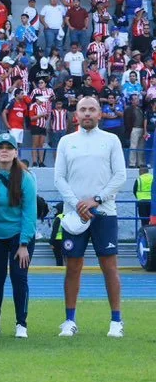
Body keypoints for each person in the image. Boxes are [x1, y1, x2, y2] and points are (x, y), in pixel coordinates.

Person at [53, 96, 126, 338]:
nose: (87, 114)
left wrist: (96, 200)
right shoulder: (66, 141)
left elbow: (120, 176)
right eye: (83, 109)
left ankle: (116, 321)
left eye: (92, 109)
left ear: (100, 114)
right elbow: (59, 179)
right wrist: (77, 204)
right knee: (72, 267)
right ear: (76, 114)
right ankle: (69, 320)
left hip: (104, 213)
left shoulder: (111, 140)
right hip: (74, 216)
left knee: (109, 267)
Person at [0, 132, 37, 338]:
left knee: (19, 278)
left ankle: (21, 324)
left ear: (15, 152)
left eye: (8, 148)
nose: (4, 151)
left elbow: (30, 211)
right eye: (0, 147)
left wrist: (24, 243)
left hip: (18, 234)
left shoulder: (25, 177)